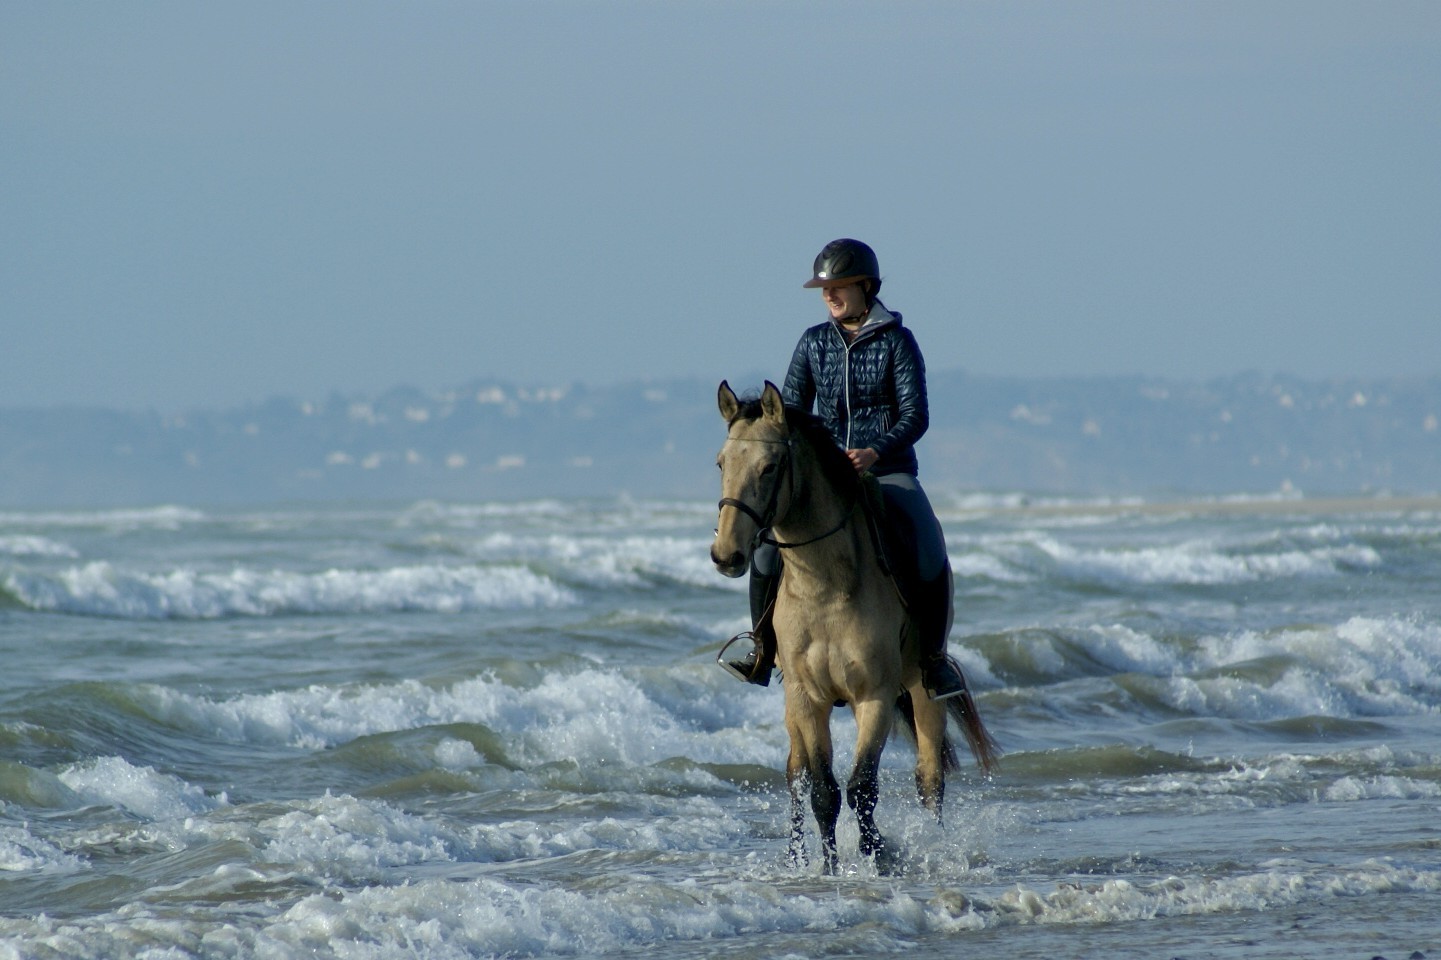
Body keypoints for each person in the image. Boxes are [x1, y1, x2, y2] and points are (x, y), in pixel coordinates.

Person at [723, 238, 968, 700]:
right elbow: (787, 413)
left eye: (837, 287)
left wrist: (875, 451)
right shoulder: (813, 342)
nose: (829, 295)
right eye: (824, 289)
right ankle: (761, 649)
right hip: (825, 479)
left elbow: (915, 415)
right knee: (765, 551)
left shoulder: (897, 341)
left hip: (887, 470)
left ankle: (933, 662)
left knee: (927, 542)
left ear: (865, 286)